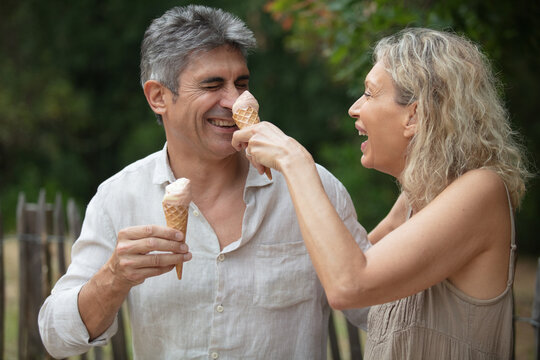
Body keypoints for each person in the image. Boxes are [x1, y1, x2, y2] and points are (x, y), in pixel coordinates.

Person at [38, 5, 371, 359]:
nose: (235, 101)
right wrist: (114, 277)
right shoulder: (119, 197)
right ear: (158, 97)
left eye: (241, 83)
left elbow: (377, 308)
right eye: (212, 85)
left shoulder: (311, 187)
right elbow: (57, 339)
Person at [233, 28, 531, 358]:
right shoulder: (415, 202)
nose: (354, 108)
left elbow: (348, 284)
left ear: (414, 115)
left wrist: (295, 160)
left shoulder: (481, 192)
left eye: (370, 94)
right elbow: (326, 267)